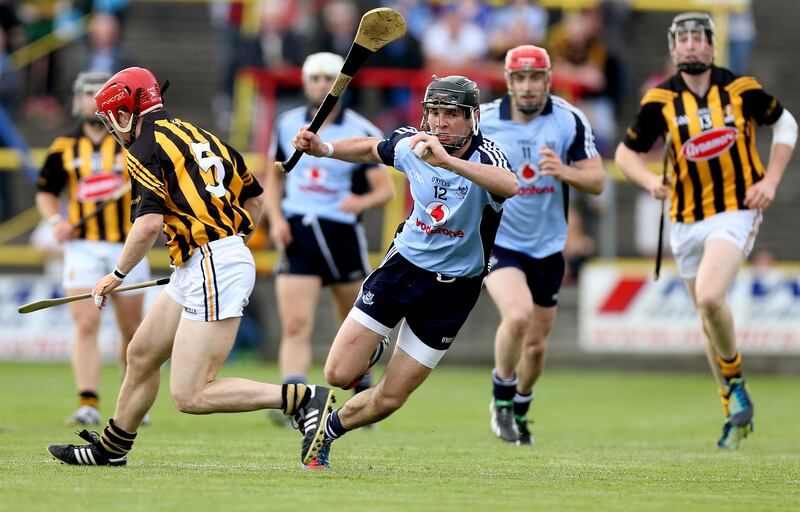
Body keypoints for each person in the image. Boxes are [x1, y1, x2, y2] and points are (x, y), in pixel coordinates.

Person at [47, 67, 334, 468]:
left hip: (212, 263)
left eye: (113, 117)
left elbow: (148, 225)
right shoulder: (199, 134)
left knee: (191, 394)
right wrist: (234, 240)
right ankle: (111, 449)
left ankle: (304, 398)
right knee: (142, 353)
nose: (111, 127)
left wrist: (117, 275)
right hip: (203, 262)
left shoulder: (143, 147)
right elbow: (254, 195)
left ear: (128, 111)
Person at [287, 75, 518, 468]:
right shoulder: (411, 143)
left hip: (455, 290)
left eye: (451, 114)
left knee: (391, 397)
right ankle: (375, 346)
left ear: (473, 117)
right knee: (338, 373)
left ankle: (327, 430)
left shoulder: (489, 155)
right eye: (434, 113)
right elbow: (369, 148)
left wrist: (447, 161)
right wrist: (323, 148)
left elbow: (509, 185)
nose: (440, 122)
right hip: (403, 269)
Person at [614, 12, 797, 449]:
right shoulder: (660, 99)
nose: (692, 46)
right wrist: (649, 181)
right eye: (684, 39)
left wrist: (770, 180)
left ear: (713, 46)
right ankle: (733, 408)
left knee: (712, 297)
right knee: (707, 318)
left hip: (735, 209)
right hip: (684, 218)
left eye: (700, 38)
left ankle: (733, 383)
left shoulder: (741, 89)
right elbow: (625, 152)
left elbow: (786, 124)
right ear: (673, 49)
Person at [480, 45, 604, 445]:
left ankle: (520, 407)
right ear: (508, 81)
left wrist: (563, 170)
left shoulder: (568, 120)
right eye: (520, 78)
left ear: (548, 80)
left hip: (549, 247)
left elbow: (597, 180)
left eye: (536, 78)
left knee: (535, 345)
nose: (529, 87)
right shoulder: (483, 120)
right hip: (500, 242)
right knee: (516, 317)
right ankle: (501, 398)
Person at [264, 52, 394, 420]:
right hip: (298, 230)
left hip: (341, 235)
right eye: (315, 78)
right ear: (305, 83)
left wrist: (360, 200)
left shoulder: (362, 128)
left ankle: (362, 389)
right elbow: (274, 174)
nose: (322, 84)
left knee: (353, 322)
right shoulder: (286, 123)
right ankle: (293, 398)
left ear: (340, 84)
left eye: (329, 78)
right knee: (295, 323)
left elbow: (384, 191)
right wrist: (275, 219)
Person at [35, 70, 150, 426]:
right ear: (76, 99)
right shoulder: (64, 147)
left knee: (132, 330)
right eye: (86, 93)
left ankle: (127, 402)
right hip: (82, 247)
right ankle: (88, 402)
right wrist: (56, 222)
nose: (91, 99)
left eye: (98, 93)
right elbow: (46, 192)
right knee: (85, 324)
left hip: (125, 245)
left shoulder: (132, 141)